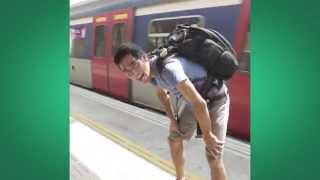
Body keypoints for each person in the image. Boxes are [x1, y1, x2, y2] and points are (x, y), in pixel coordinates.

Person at [114, 43, 230, 180]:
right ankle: (180, 178)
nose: (132, 72)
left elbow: (200, 104)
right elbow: (162, 94)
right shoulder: (149, 73)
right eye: (125, 71)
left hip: (215, 98)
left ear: (144, 58)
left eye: (133, 64)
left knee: (213, 155)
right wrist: (173, 120)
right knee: (174, 139)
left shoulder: (169, 69)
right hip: (193, 101)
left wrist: (207, 135)